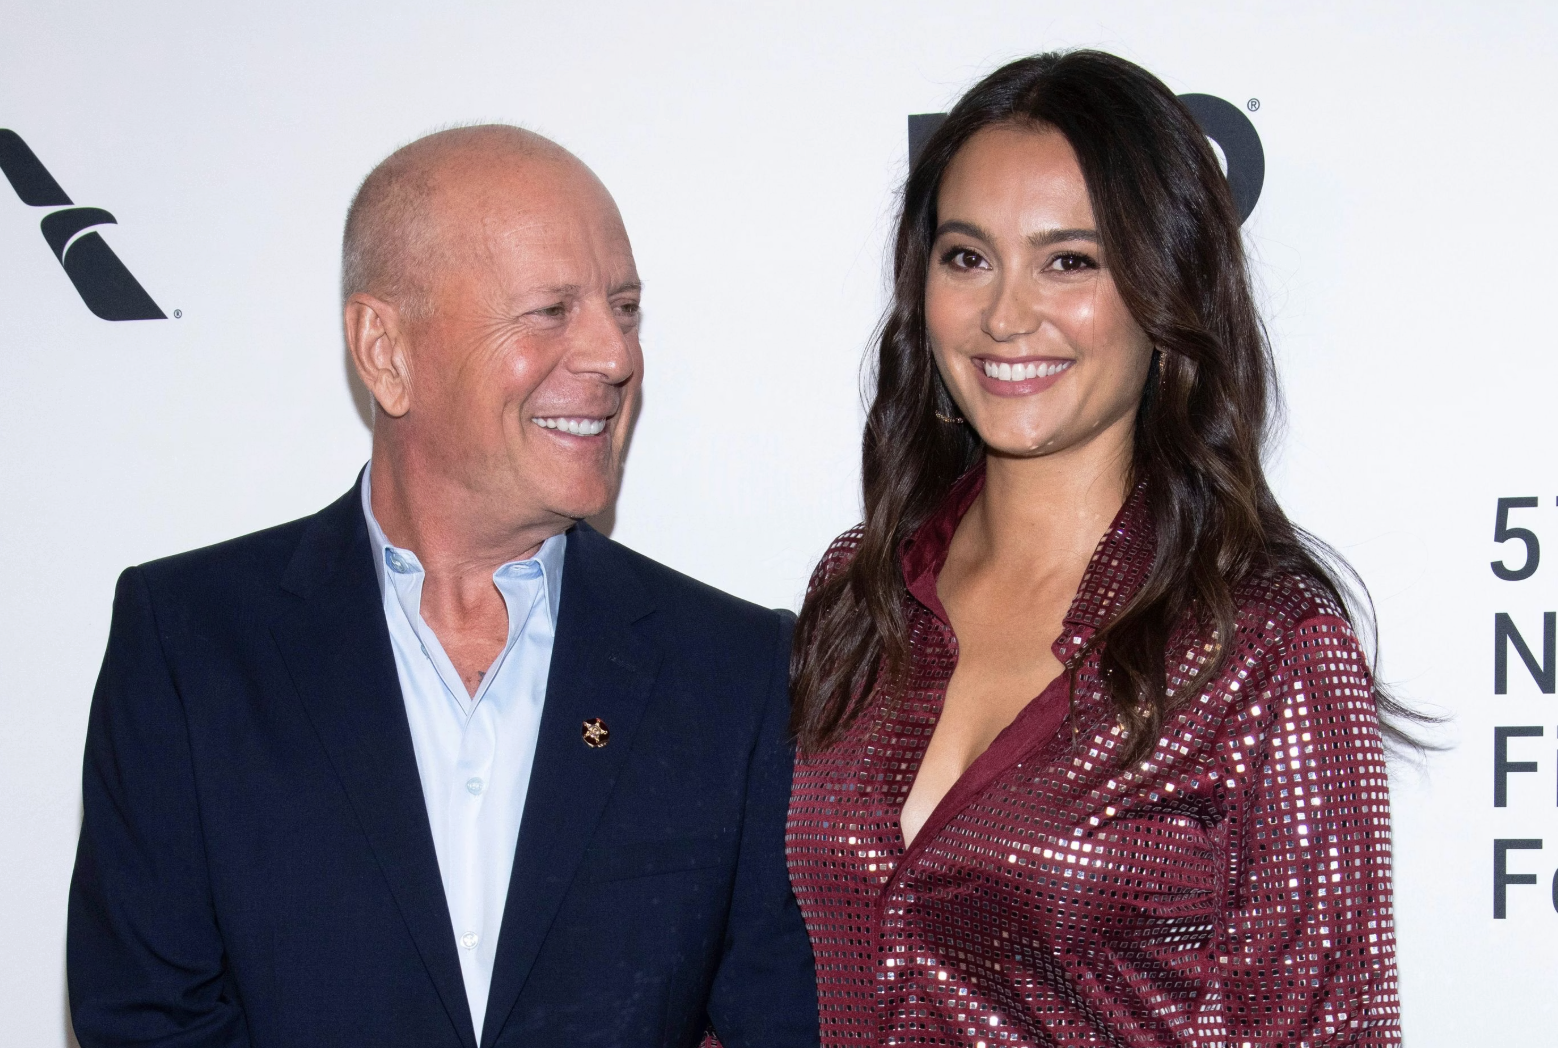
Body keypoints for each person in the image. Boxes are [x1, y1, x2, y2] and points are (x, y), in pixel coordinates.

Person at [67, 125, 818, 1048]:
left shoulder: (735, 670)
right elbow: (147, 1021)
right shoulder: (190, 644)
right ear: (385, 351)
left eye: (624, 309)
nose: (614, 354)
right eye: (551, 310)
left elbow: (778, 1022)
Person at [787, 51, 1409, 1047]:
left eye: (1069, 261)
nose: (1004, 316)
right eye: (967, 257)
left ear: (1167, 287)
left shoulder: (1263, 642)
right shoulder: (859, 590)